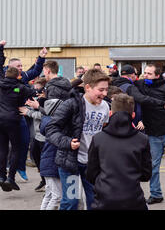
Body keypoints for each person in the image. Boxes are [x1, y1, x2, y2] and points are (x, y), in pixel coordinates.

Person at [45, 69, 110, 210]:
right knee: (71, 201)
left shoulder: (105, 106)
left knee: (95, 200)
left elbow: (104, 129)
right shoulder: (71, 104)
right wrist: (67, 142)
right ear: (88, 87)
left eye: (106, 90)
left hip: (92, 163)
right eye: (101, 90)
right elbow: (50, 129)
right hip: (70, 162)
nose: (105, 94)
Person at [86, 93, 152, 210]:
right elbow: (146, 174)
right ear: (133, 115)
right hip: (133, 198)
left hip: (104, 198)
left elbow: (91, 173)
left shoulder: (98, 138)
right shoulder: (142, 139)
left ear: (111, 113)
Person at [135, 64, 165, 204]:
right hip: (153, 133)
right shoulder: (141, 85)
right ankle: (156, 193)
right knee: (153, 165)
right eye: (144, 72)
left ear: (157, 75)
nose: (145, 75)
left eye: (148, 73)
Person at [4, 46, 48, 182]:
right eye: (18, 66)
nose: (21, 68)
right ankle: (5, 169)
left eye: (22, 65)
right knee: (7, 145)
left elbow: (35, 71)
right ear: (9, 67)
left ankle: (20, 167)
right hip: (4, 115)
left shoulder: (22, 77)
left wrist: (41, 57)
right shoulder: (3, 76)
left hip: (19, 113)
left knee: (24, 141)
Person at [0, 67, 34, 191]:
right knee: (16, 148)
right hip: (13, 120)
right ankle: (11, 178)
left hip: (0, 120)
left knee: (2, 149)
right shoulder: (20, 87)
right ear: (17, 76)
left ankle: (2, 176)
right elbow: (33, 93)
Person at [19, 77, 47, 192]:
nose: (36, 91)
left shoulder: (47, 100)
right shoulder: (37, 97)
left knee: (46, 160)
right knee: (36, 156)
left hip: (45, 135)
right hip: (37, 134)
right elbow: (35, 109)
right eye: (35, 88)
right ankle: (43, 180)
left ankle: (49, 183)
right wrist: (28, 107)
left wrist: (29, 112)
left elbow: (45, 115)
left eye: (39, 88)